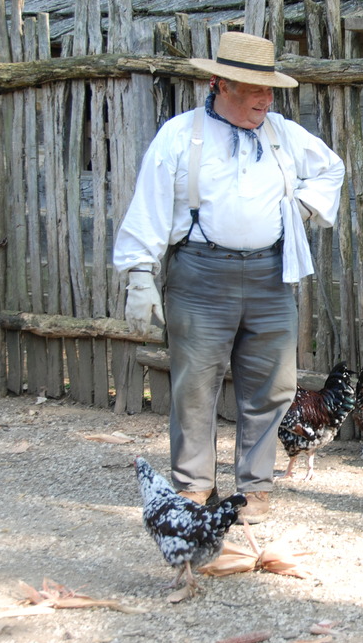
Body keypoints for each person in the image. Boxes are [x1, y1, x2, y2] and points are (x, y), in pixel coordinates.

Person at [113, 32, 345, 524]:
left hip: (271, 276)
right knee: (194, 386)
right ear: (220, 84)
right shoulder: (179, 136)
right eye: (254, 89)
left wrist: (302, 208)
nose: (266, 99)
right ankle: (194, 486)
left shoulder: (284, 134)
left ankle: (254, 488)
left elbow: (332, 170)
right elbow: (148, 207)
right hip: (200, 277)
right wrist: (138, 273)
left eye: (270, 90)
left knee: (272, 386)